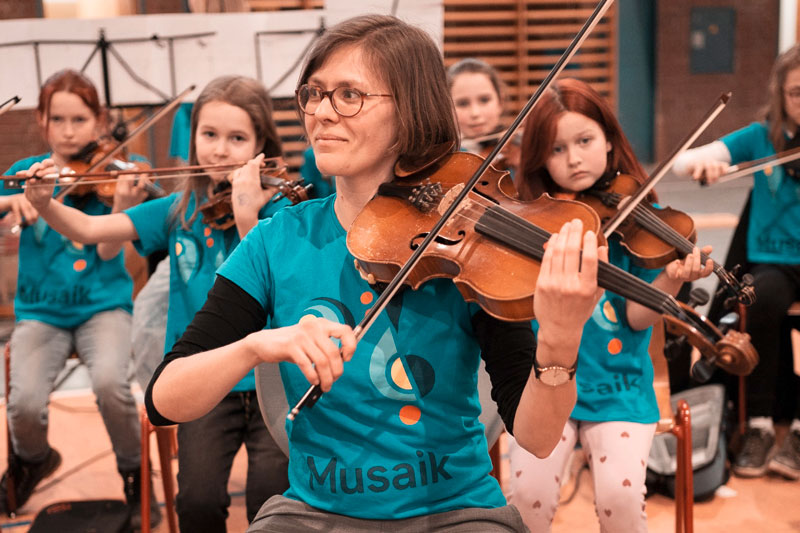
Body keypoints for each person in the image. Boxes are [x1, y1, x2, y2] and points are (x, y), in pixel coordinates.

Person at [132, 14, 603, 532]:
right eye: (314, 94)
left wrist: (559, 340)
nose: (322, 113)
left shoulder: (467, 246)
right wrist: (259, 345)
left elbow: (536, 438)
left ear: (410, 112)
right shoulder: (276, 240)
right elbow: (164, 400)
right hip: (316, 515)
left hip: (455, 513)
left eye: (349, 95)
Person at [23, 75, 291, 532]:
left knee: (270, 501)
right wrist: (45, 204)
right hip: (205, 386)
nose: (220, 151)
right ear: (192, 140)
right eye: (209, 135)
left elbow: (276, 289)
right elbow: (90, 232)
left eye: (237, 138)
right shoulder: (176, 210)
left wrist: (248, 216)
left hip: (270, 384)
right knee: (198, 503)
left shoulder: (280, 214)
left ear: (260, 146)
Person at [509, 78, 714, 532]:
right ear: (540, 158)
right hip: (542, 388)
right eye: (556, 149)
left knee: (620, 500)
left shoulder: (634, 217)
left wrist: (670, 280)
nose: (574, 159)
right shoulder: (530, 220)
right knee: (526, 497)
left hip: (619, 391)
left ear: (608, 139)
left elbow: (636, 319)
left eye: (584, 141)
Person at [0, 69, 156, 527]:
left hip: (101, 307)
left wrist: (123, 203)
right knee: (23, 401)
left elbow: (107, 247)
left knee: (111, 385)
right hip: (41, 313)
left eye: (80, 120)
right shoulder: (28, 174)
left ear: (99, 122)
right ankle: (34, 457)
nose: (69, 132)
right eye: (59, 120)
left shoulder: (113, 173)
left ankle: (133, 470)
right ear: (43, 122)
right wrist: (15, 202)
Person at [673, 43, 800, 480]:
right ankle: (760, 424)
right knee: (757, 300)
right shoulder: (763, 137)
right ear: (780, 95)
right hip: (777, 261)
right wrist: (707, 166)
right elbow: (685, 161)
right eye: (797, 93)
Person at [448, 57, 520, 178]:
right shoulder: (446, 160)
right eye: (463, 103)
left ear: (500, 102)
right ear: (448, 109)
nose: (475, 113)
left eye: (484, 100)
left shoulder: (515, 148)